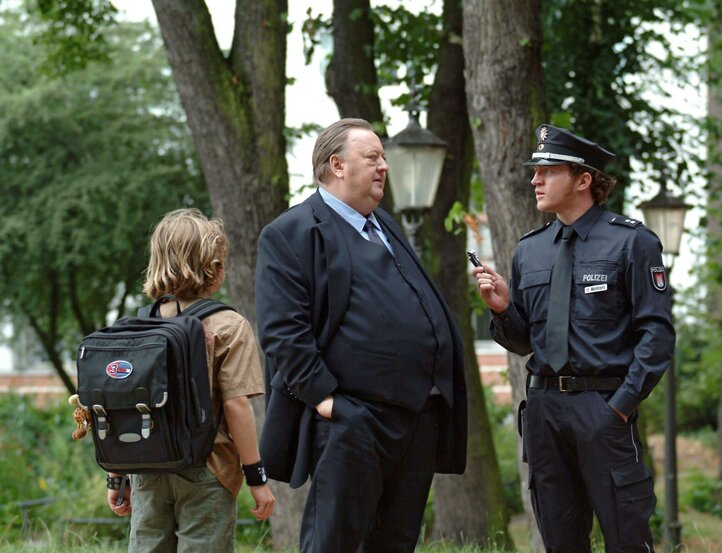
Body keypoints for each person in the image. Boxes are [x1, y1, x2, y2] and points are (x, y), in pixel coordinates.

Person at [256, 118, 467, 553]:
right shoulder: (291, 233)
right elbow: (282, 332)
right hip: (352, 422)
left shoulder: (384, 225)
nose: (384, 167)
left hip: (415, 420)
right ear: (337, 164)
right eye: (373, 157)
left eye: (384, 158)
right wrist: (328, 402)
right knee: (336, 543)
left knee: (396, 542)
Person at [472, 125, 675, 552]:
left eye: (547, 170)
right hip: (544, 413)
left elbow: (656, 336)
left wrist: (619, 407)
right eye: (535, 171)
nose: (535, 180)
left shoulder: (631, 242)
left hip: (603, 409)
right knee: (560, 542)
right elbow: (525, 342)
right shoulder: (530, 250)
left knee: (627, 539)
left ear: (584, 180)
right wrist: (502, 309)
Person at [107, 208, 276, 552]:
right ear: (214, 269)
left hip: (148, 467)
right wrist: (256, 477)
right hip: (209, 469)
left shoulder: (138, 329)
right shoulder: (229, 325)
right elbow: (236, 406)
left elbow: (120, 405)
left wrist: (117, 475)